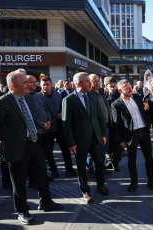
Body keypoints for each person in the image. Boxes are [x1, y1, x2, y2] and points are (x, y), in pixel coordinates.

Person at [0, 70, 63, 225]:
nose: (30, 85)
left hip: (34, 143)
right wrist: (8, 144)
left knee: (41, 175)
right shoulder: (1, 103)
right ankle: (22, 211)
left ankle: (46, 202)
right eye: (25, 82)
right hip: (16, 149)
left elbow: (30, 118)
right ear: (14, 86)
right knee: (19, 182)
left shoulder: (28, 99)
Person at [62, 72, 109, 204]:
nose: (91, 83)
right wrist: (71, 143)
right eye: (87, 81)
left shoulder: (93, 97)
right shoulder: (69, 100)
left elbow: (99, 118)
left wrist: (103, 134)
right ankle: (85, 191)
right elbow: (66, 124)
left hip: (96, 137)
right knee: (82, 166)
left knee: (99, 163)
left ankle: (101, 185)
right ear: (78, 84)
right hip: (80, 141)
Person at [112, 80, 153, 192]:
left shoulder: (137, 97)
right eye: (126, 88)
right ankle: (134, 182)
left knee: (149, 158)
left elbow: (144, 112)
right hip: (130, 135)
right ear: (119, 91)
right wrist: (121, 140)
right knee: (132, 159)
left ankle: (151, 181)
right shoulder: (116, 104)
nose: (129, 89)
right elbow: (116, 124)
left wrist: (146, 109)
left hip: (144, 131)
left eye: (130, 87)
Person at [39, 77, 77, 177]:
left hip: (59, 126)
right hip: (46, 129)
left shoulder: (57, 94)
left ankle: (69, 169)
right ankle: (53, 170)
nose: (46, 86)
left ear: (51, 84)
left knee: (65, 149)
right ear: (41, 85)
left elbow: (62, 107)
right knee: (48, 151)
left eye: (47, 84)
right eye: (43, 84)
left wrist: (61, 113)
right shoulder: (38, 97)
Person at [26, 75, 53, 188]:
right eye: (30, 82)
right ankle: (33, 180)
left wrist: (48, 120)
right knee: (33, 159)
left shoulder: (38, 95)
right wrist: (43, 124)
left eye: (34, 82)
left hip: (45, 130)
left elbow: (45, 108)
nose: (33, 84)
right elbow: (30, 116)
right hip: (35, 132)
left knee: (43, 156)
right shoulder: (25, 98)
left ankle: (42, 176)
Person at [86, 74, 111, 177]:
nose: (97, 83)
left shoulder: (101, 93)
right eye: (93, 81)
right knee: (92, 152)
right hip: (95, 129)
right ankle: (91, 170)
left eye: (98, 80)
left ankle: (101, 167)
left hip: (104, 127)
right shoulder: (88, 95)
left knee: (103, 150)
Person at [103, 77, 122, 171]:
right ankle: (111, 161)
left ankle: (115, 162)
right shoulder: (102, 94)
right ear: (106, 85)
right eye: (111, 85)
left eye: (114, 85)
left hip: (118, 124)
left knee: (118, 145)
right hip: (107, 124)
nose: (113, 87)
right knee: (108, 145)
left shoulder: (120, 94)